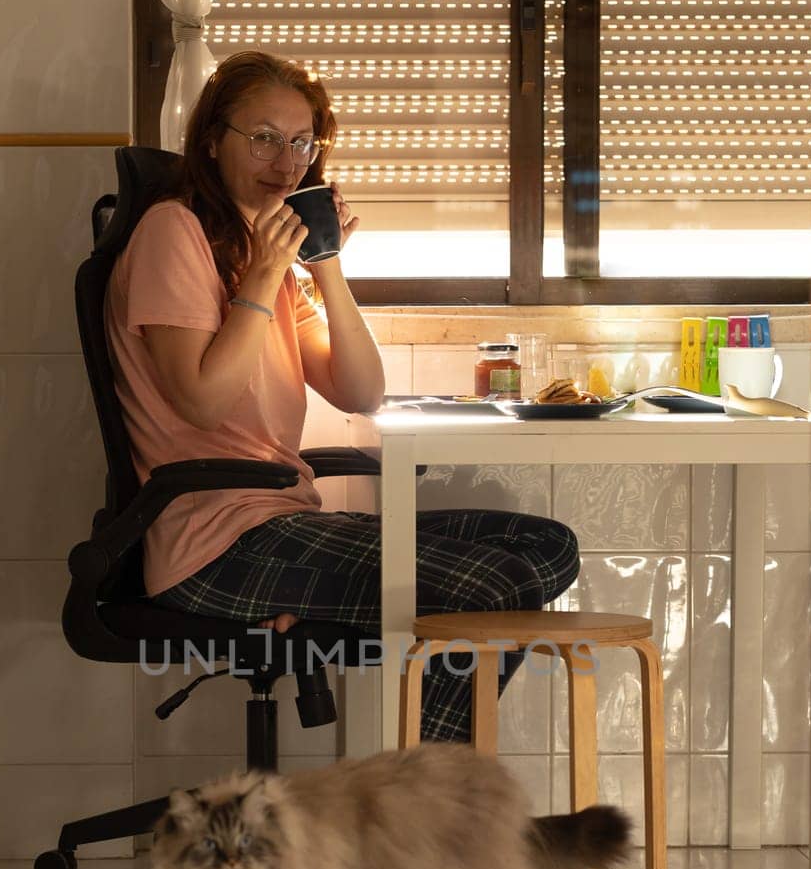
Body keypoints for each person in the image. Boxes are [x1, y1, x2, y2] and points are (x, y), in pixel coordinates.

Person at [104, 50, 580, 743]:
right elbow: (202, 402)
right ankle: (419, 823)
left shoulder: (263, 255)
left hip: (280, 525)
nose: (286, 161)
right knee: (492, 589)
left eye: (302, 142)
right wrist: (266, 272)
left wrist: (323, 266)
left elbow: (362, 390)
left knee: (543, 548)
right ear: (212, 140)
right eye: (263, 137)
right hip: (213, 545)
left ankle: (408, 799)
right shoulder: (173, 233)